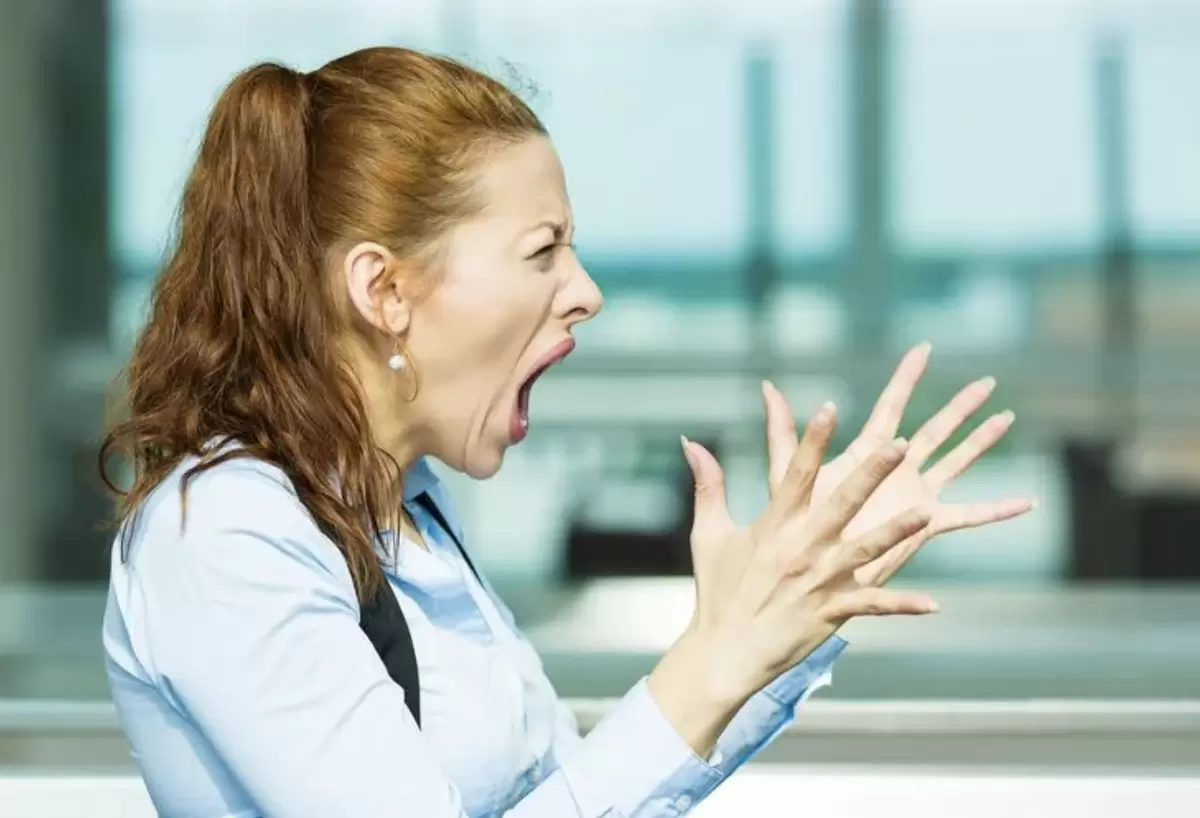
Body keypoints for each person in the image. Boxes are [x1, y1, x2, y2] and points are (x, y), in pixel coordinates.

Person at [99, 46, 1032, 818]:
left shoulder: (413, 513)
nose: (586, 291)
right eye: (542, 250)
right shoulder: (226, 533)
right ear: (383, 290)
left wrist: (769, 621)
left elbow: (565, 795)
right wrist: (712, 662)